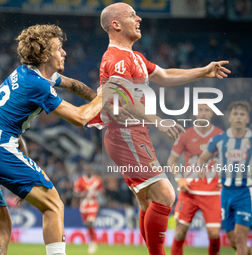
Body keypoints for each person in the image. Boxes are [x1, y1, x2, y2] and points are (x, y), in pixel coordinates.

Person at [88, 3, 231, 255]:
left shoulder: (134, 57)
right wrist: (159, 120)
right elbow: (122, 100)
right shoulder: (116, 59)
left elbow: (165, 75)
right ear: (116, 24)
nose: (139, 18)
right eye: (133, 15)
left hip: (132, 133)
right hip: (125, 134)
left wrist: (203, 71)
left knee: (147, 200)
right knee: (165, 195)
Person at [0, 24, 109, 255]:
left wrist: (101, 102)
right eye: (59, 48)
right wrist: (106, 95)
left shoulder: (25, 73)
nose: (64, 53)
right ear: (44, 55)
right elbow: (80, 118)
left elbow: (74, 85)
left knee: (1, 230)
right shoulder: (37, 84)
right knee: (53, 205)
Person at [167, 104, 223, 255]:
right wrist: (179, 179)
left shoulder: (220, 135)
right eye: (200, 110)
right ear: (195, 113)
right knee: (179, 234)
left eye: (207, 110)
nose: (203, 113)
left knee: (214, 234)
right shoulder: (185, 134)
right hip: (189, 191)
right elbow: (171, 161)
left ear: (212, 113)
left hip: (212, 192)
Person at [198, 101, 252, 255]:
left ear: (247, 119)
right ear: (230, 118)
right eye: (235, 114)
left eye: (242, 114)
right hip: (225, 193)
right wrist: (201, 169)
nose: (239, 117)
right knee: (234, 241)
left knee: (241, 237)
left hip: (245, 192)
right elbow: (202, 159)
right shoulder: (219, 140)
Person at [73, 164, 104, 254]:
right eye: (87, 169)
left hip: (93, 203)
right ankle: (91, 239)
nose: (89, 171)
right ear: (85, 170)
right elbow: (75, 193)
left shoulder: (97, 181)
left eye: (90, 169)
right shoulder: (79, 181)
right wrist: (81, 195)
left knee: (90, 222)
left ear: (92, 170)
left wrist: (96, 194)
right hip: (83, 204)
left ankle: (93, 242)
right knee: (87, 224)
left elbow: (101, 191)